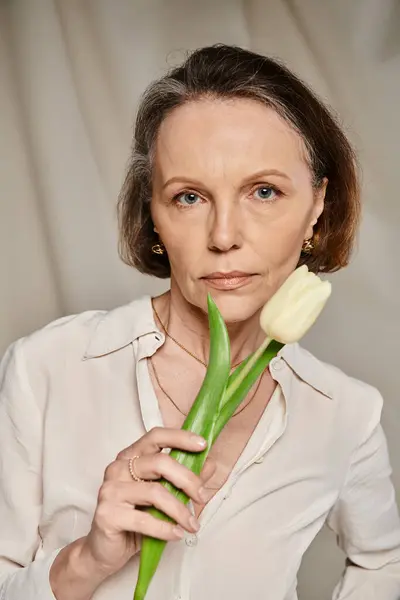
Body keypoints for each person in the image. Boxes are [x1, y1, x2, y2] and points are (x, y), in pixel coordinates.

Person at [0, 44, 399, 600]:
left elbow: (383, 565)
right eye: (189, 196)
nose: (223, 235)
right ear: (154, 217)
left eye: (264, 191)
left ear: (317, 205)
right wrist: (86, 561)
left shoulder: (346, 412)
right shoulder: (43, 370)